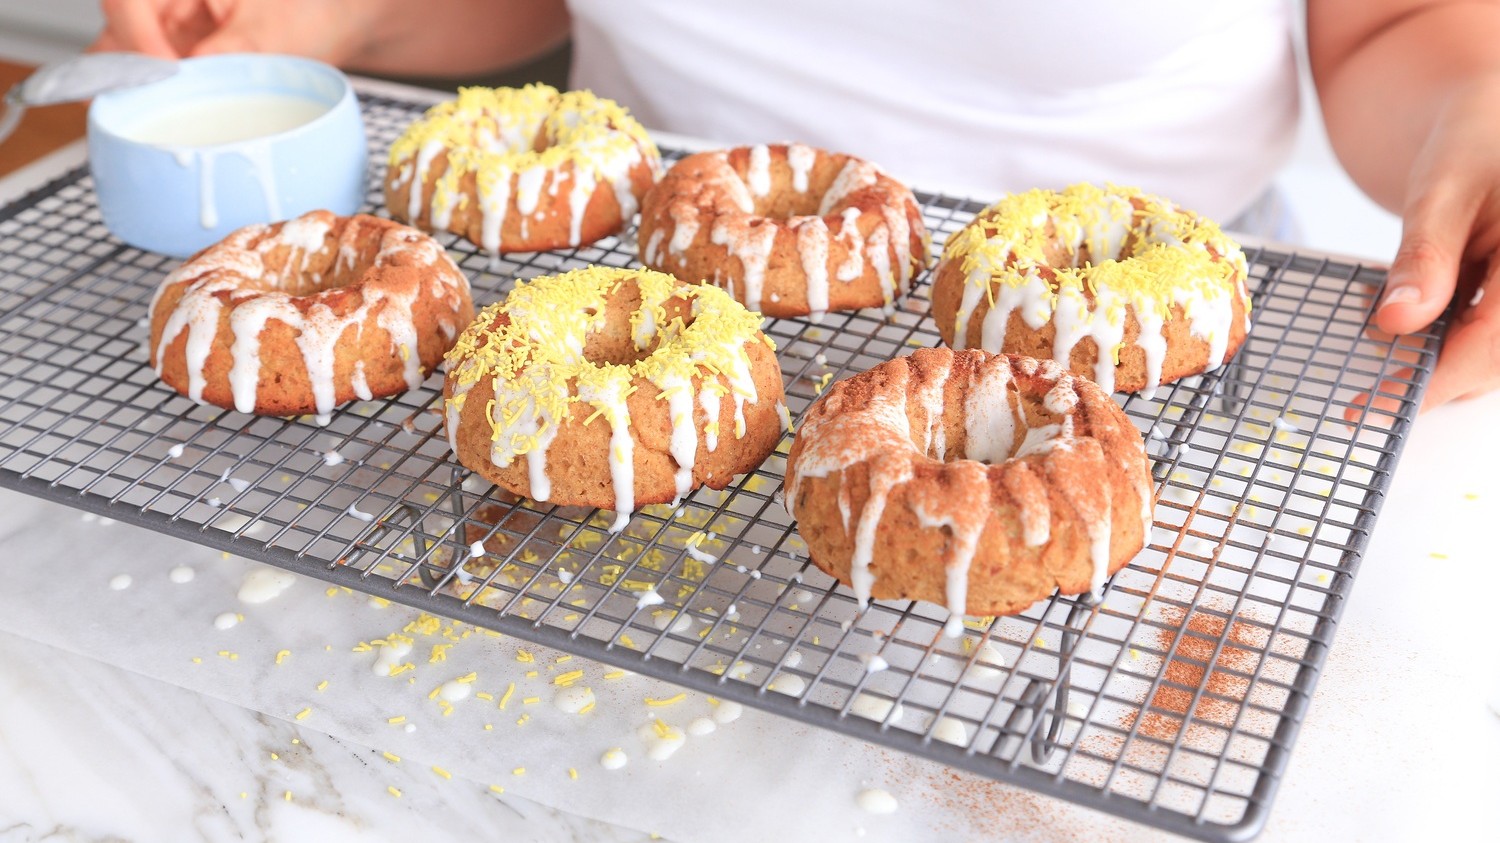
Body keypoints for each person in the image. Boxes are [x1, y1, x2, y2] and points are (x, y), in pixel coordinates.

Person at [93, 0, 1500, 409]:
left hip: (1156, 367)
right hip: (612, 277)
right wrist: (352, 12)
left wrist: (1481, 104)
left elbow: (1395, 26)